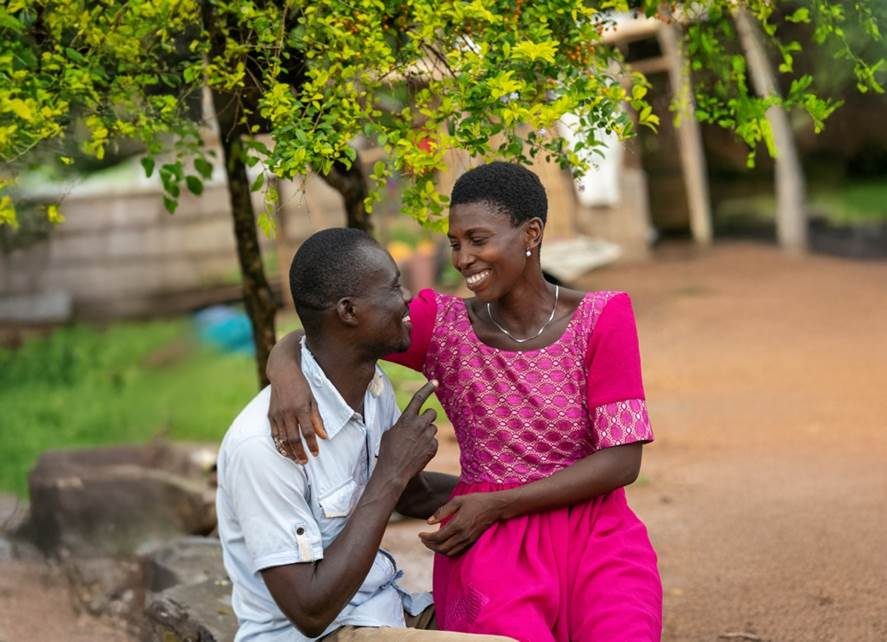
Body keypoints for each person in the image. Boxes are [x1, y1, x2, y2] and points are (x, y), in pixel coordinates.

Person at [267, 162, 663, 641]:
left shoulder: (602, 317)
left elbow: (622, 462)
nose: (463, 258)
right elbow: (333, 327)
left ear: (531, 234)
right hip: (491, 549)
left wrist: (499, 502)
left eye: (478, 239)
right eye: (455, 243)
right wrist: (283, 367)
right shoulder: (441, 328)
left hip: (597, 535)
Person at [216, 228, 515, 642]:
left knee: (528, 613)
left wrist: (516, 498)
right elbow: (310, 611)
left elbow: (411, 494)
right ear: (349, 312)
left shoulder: (372, 389)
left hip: (387, 610)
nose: (408, 296)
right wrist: (391, 469)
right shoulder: (265, 446)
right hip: (321, 633)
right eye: (393, 287)